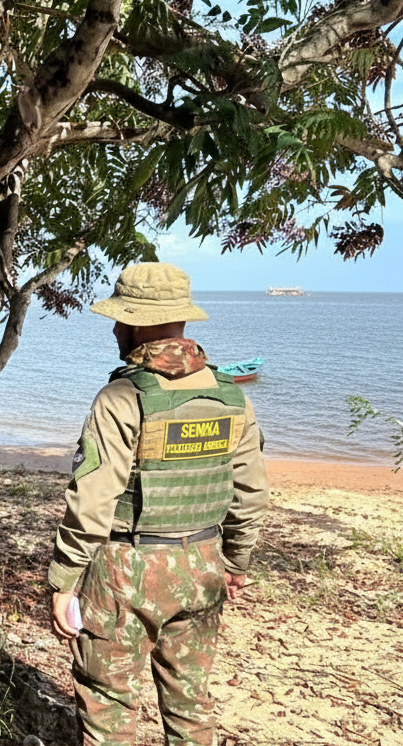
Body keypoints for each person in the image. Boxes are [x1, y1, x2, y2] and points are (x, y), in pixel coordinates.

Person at [47, 262, 269, 746]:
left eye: (119, 319)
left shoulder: (121, 398)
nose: (113, 328)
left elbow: (93, 499)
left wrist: (63, 581)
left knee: (108, 708)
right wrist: (235, 561)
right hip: (204, 563)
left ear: (134, 324)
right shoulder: (232, 398)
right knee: (191, 704)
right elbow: (250, 492)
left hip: (124, 570)